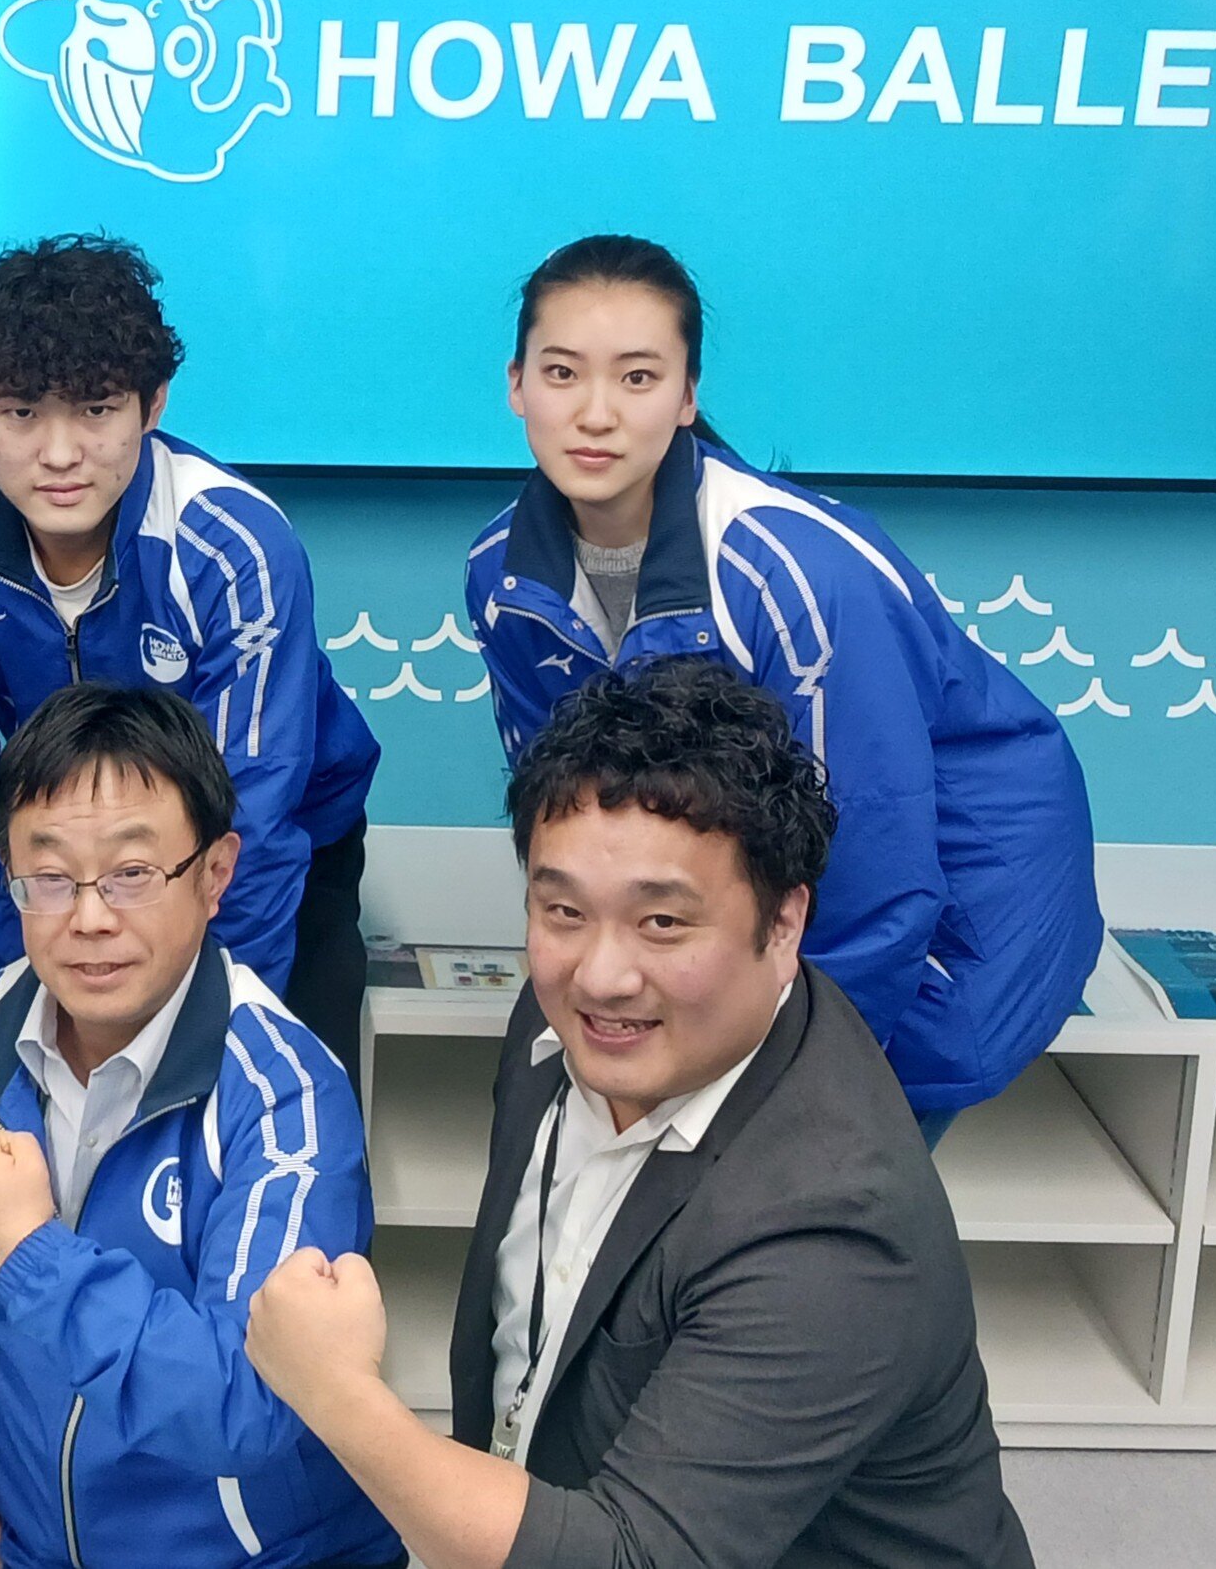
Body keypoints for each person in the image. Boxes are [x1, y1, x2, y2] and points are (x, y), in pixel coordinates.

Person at [244, 659, 1031, 1569]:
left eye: (662, 923)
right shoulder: (563, 1021)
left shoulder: (833, 1227)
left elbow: (634, 1559)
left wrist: (338, 1395)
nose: (601, 975)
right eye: (562, 910)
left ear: (782, 924)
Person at [465, 234, 1099, 1138]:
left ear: (687, 396)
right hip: (757, 912)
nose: (594, 414)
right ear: (516, 385)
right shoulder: (499, 572)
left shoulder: (796, 574)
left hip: (948, 908)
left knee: (807, 1176)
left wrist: (799, 1099)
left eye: (637, 378)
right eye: (561, 373)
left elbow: (873, 863)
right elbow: (562, 815)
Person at [0, 684, 401, 1569]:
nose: (89, 918)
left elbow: (250, 1401)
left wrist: (25, 1251)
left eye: (131, 874)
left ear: (215, 873)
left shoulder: (286, 1095)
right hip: (24, 1546)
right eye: (49, 878)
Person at [0, 235, 381, 1075]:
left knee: (265, 1083)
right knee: (27, 1074)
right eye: (20, 413)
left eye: (96, 410)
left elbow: (250, 820)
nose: (59, 453)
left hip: (271, 841)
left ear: (152, 407)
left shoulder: (233, 547)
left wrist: (207, 1051)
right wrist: (17, 994)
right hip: (56, 852)